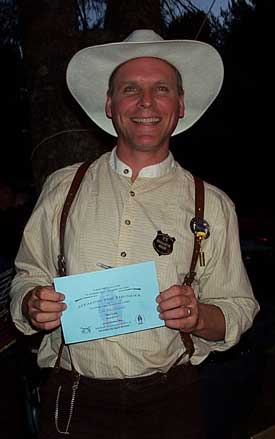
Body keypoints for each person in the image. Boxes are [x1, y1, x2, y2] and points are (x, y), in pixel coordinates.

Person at [10, 29, 259, 439]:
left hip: (171, 400)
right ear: (110, 104)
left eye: (161, 88)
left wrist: (199, 317)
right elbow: (27, 277)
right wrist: (32, 304)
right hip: (73, 398)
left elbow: (238, 309)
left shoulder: (211, 204)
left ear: (180, 105)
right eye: (131, 89)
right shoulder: (63, 188)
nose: (146, 102)